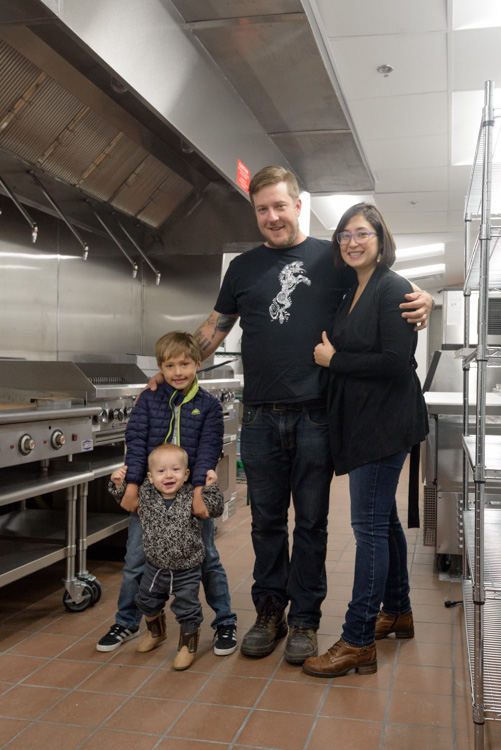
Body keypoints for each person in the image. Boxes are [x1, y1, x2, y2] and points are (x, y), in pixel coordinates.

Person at [149, 166, 432, 665]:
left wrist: (422, 298)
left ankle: (305, 620)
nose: (273, 217)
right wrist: (174, 368)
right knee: (266, 525)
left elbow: (378, 279)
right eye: (262, 209)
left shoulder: (331, 256)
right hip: (259, 416)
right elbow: (215, 327)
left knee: (314, 524)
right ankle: (269, 613)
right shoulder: (241, 268)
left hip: (316, 415)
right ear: (255, 212)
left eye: (281, 205)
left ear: (298, 205)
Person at [302, 202, 428, 678]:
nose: (351, 242)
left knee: (368, 527)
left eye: (362, 233)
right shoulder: (353, 290)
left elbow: (396, 361)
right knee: (383, 520)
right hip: (364, 422)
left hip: (384, 423)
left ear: (380, 238)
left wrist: (333, 361)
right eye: (344, 235)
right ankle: (397, 611)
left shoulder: (391, 287)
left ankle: (357, 640)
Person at [96, 331, 237, 656]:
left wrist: (200, 490)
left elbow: (207, 450)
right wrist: (131, 486)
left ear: (197, 364)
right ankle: (129, 621)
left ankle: (225, 622)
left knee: (208, 561)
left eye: (184, 364)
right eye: (169, 365)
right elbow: (136, 444)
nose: (177, 371)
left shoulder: (209, 405)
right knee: (134, 561)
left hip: (189, 495)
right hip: (149, 496)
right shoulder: (149, 399)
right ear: (160, 367)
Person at [109, 443, 224, 670]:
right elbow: (125, 501)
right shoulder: (146, 494)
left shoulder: (192, 495)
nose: (169, 476)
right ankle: (156, 631)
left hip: (187, 568)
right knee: (146, 601)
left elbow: (215, 509)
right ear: (150, 477)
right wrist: (118, 484)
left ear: (186, 474)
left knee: (187, 609)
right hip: (155, 567)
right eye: (161, 472)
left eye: (175, 470)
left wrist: (210, 488)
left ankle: (187, 645)